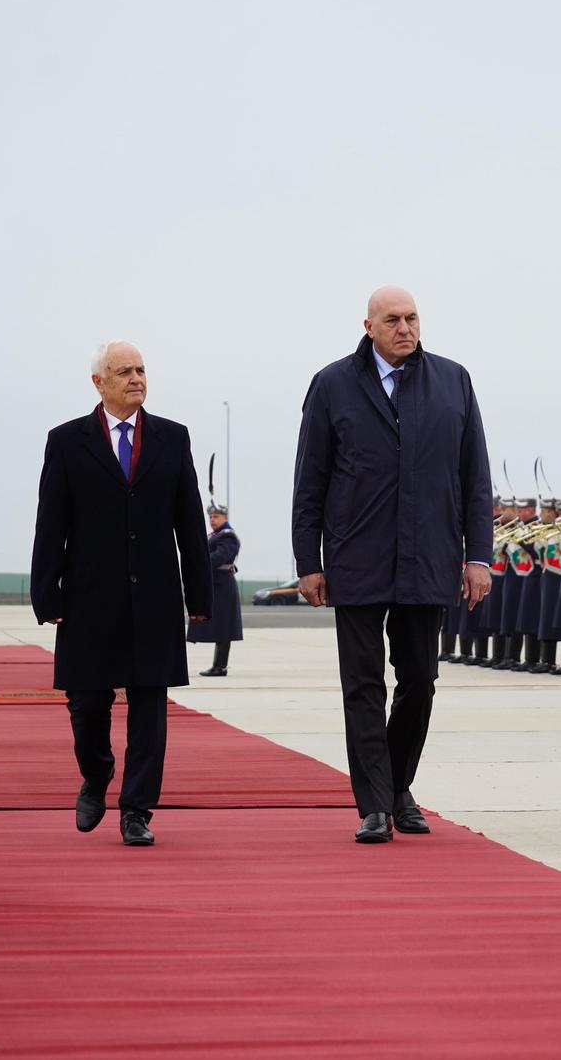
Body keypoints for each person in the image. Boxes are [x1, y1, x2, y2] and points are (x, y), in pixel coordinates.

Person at [291, 286, 492, 844]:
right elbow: (310, 479)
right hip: (356, 557)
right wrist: (309, 560)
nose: (405, 328)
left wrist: (478, 555)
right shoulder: (332, 384)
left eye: (412, 318)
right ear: (369, 327)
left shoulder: (453, 381)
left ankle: (398, 786)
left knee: (420, 680)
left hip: (429, 557)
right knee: (362, 684)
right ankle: (375, 804)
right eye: (393, 320)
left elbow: (475, 476)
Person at [30, 340, 214, 847]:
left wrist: (200, 597)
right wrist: (47, 596)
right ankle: (96, 774)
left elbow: (189, 522)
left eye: (141, 370)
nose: (136, 379)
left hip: (155, 597)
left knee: (150, 707)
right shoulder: (67, 441)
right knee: (87, 704)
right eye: (124, 371)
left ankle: (137, 810)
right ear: (99, 383)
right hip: (89, 599)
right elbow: (51, 525)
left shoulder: (173, 438)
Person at [188, 501, 243, 676]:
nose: (212, 519)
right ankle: (218, 665)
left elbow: (219, 557)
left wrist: (199, 562)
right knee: (219, 627)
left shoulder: (228, 537)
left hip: (223, 586)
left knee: (224, 627)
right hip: (215, 585)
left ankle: (220, 666)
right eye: (210, 517)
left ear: (225, 518)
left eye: (216, 516)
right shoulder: (214, 535)